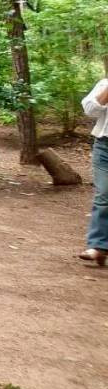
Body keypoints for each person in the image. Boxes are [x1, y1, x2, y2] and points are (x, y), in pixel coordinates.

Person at [80, 73, 108, 265]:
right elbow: (89, 110)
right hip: (104, 146)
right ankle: (98, 246)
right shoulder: (104, 84)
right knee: (104, 195)